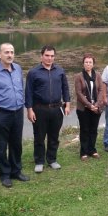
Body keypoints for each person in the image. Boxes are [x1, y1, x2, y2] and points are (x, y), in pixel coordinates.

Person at [0, 43, 29, 188]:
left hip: (17, 113)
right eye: (6, 52)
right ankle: (5, 174)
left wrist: (23, 105)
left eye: (12, 52)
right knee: (2, 146)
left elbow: (20, 87)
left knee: (16, 144)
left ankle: (16, 171)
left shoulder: (17, 69)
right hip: (1, 113)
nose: (10, 55)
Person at [25, 45, 70, 173]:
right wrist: (29, 109)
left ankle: (52, 159)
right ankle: (39, 161)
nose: (49, 58)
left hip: (57, 109)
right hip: (40, 109)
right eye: (47, 55)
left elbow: (65, 88)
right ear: (41, 56)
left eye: (52, 56)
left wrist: (67, 104)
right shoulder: (33, 72)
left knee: (54, 136)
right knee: (39, 136)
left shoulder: (60, 71)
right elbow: (28, 92)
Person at [75, 53, 105, 161]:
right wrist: (89, 105)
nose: (88, 64)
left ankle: (92, 150)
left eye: (90, 62)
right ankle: (83, 152)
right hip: (83, 108)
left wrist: (96, 105)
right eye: (86, 62)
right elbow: (79, 93)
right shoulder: (79, 76)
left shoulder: (97, 75)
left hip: (96, 107)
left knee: (93, 129)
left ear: (93, 64)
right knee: (84, 130)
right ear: (83, 64)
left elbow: (101, 90)